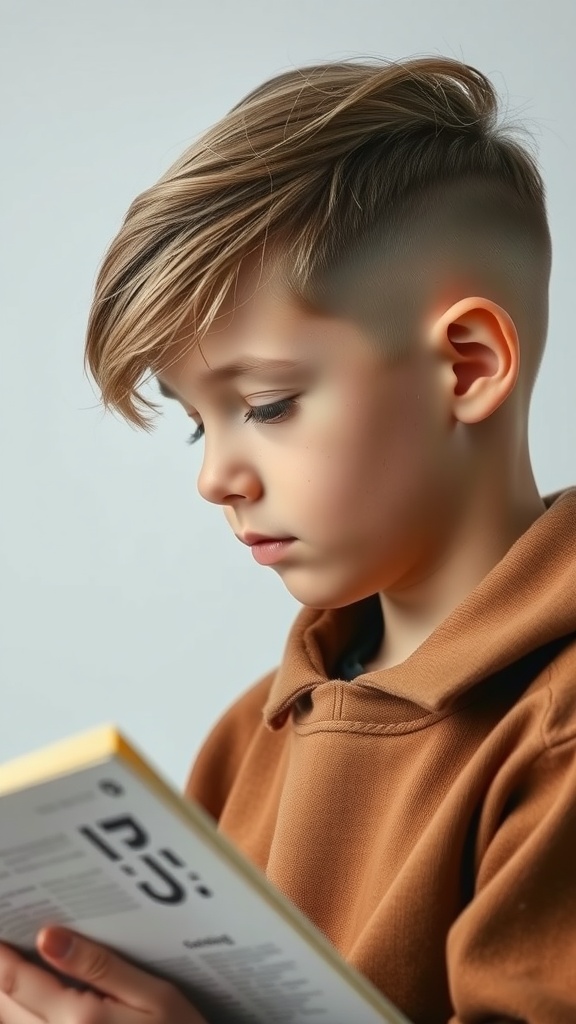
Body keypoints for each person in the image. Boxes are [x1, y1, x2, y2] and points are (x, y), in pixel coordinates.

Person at [0, 54, 574, 1024]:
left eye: (267, 403)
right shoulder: (252, 731)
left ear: (468, 368)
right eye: (197, 419)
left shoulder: (554, 734)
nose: (214, 475)